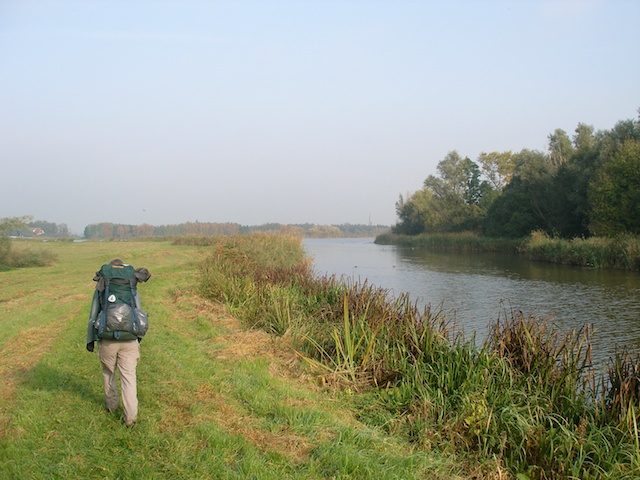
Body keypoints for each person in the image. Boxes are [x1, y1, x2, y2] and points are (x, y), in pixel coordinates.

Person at [86, 258, 151, 427]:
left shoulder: (102, 285)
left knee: (108, 372)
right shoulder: (131, 287)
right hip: (129, 338)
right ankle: (130, 417)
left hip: (107, 339)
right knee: (129, 377)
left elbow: (93, 316)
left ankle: (111, 406)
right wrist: (138, 336)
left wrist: (90, 339)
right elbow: (138, 311)